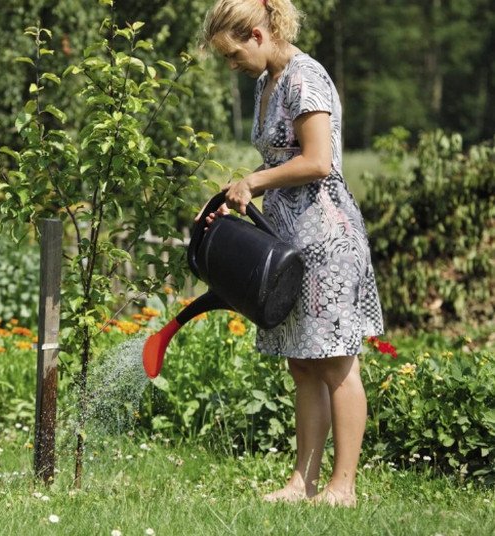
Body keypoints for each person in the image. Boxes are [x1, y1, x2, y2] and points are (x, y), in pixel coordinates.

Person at [198, 0, 384, 507]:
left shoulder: (305, 78)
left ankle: (342, 487)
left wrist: (254, 180)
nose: (232, 66)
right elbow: (280, 158)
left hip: (325, 236)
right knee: (302, 364)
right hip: (288, 237)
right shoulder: (267, 84)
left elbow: (319, 161)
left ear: (257, 34)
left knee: (337, 362)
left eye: (234, 55)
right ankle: (301, 482)